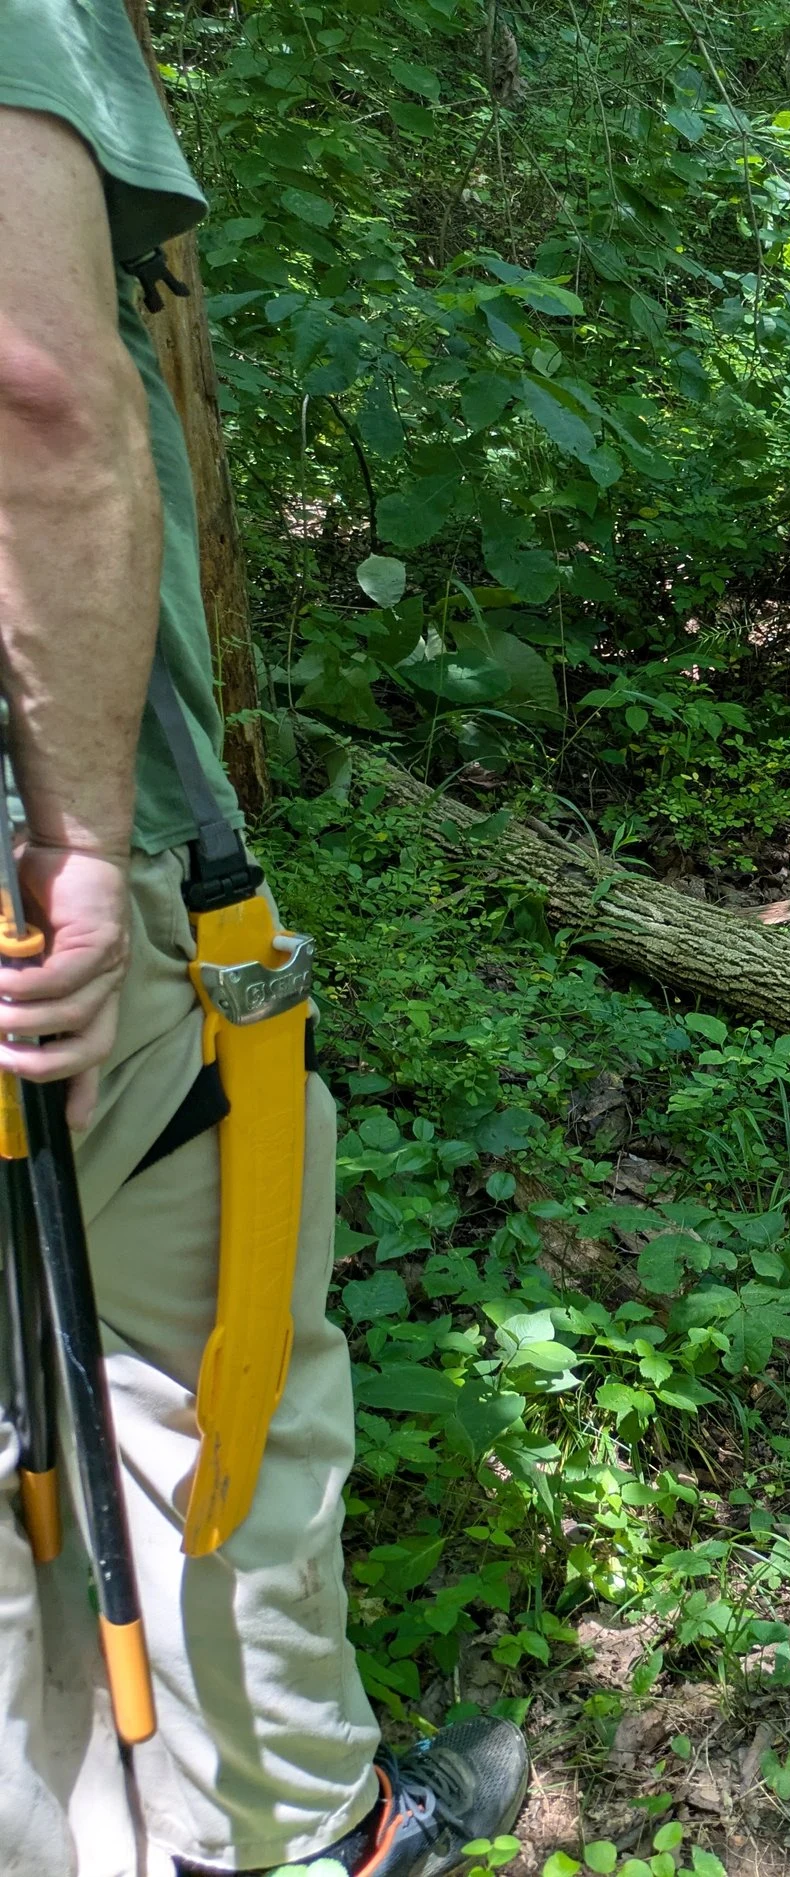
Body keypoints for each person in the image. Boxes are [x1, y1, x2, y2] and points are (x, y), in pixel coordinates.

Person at [0, 4, 527, 1871]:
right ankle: (309, 1833)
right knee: (203, 1374)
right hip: (72, 893)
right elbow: (40, 388)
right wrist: (78, 838)